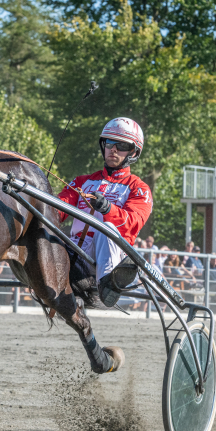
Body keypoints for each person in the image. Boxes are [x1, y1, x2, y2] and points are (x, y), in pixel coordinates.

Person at [57, 117, 152, 307]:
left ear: (133, 152)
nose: (113, 149)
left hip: (111, 256)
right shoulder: (81, 181)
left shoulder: (138, 188)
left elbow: (132, 225)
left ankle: (108, 284)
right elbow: (56, 209)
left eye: (122, 145)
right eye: (109, 143)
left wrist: (108, 208)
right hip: (75, 252)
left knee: (107, 227)